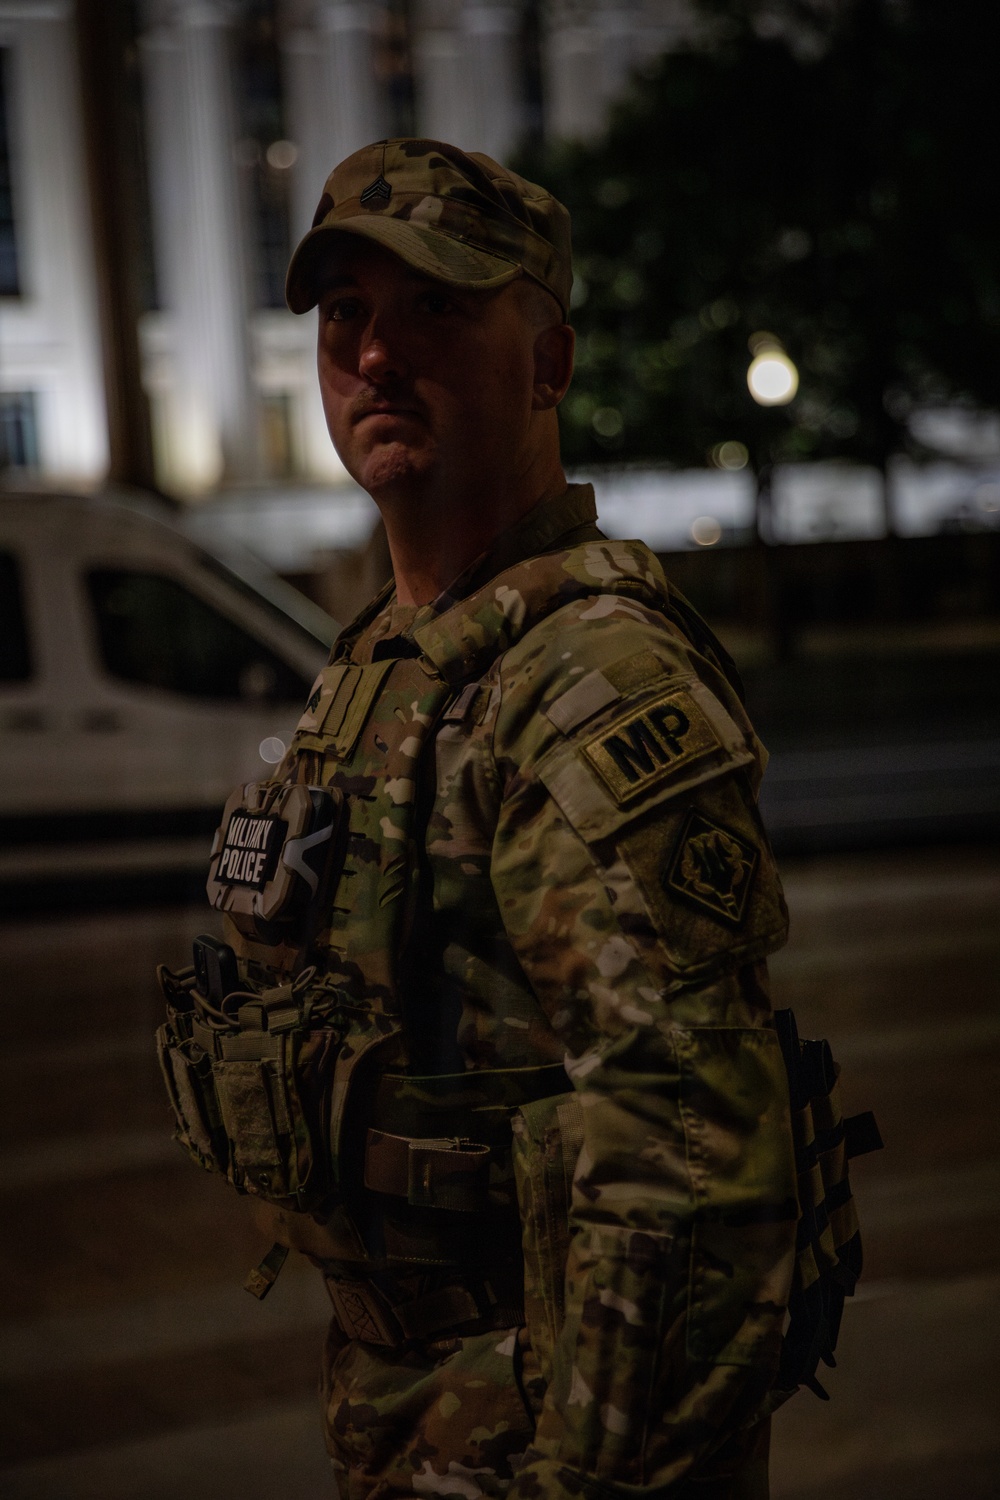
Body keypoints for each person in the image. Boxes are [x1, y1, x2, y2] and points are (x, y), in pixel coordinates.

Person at [157, 138, 799, 1500]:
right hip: (418, 1413)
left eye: (436, 308)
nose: (376, 356)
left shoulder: (586, 677)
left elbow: (689, 1157)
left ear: (549, 365)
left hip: (547, 1439)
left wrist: (586, 1475)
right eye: (346, 314)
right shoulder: (391, 657)